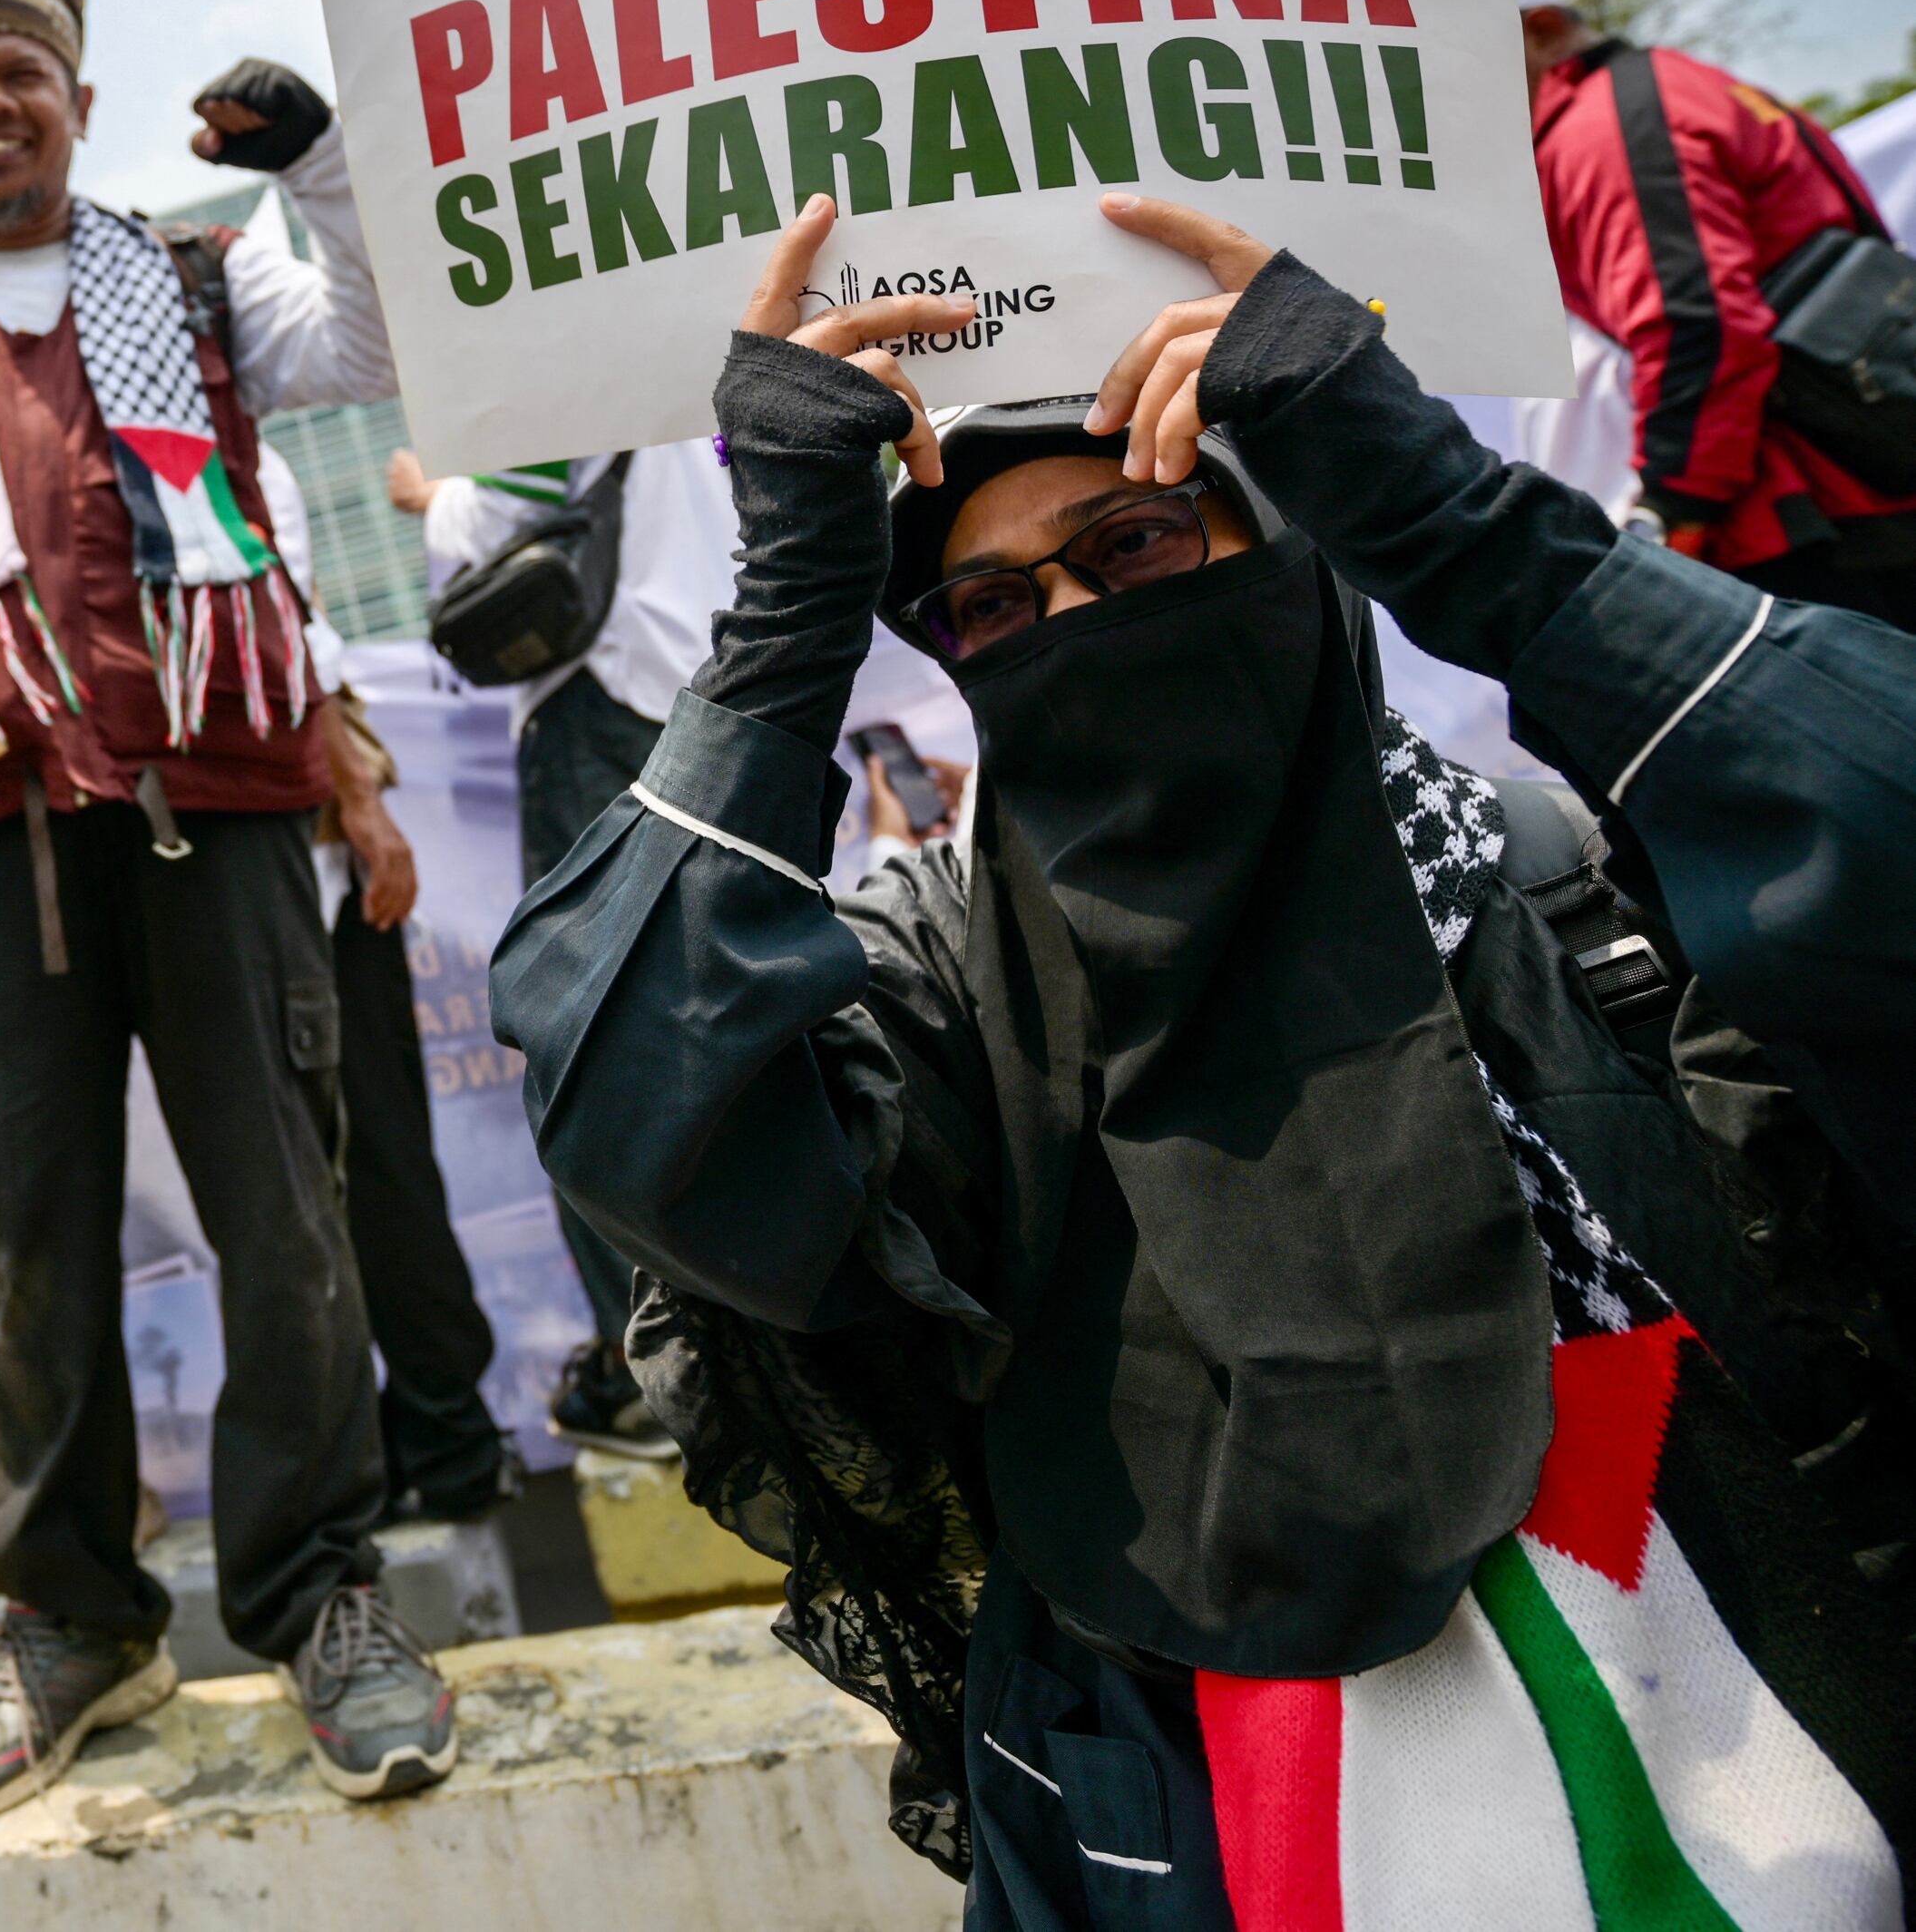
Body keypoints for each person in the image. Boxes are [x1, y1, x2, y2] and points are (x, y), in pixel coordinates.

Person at [498, 191, 1916, 1924]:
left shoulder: (1573, 904)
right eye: (995, 611)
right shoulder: (947, 993)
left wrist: (1466, 529)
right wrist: (789, 620)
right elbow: (630, 1099)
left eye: (1142, 548)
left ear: (1289, 552)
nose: (1076, 621)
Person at [0, 0, 455, 1818]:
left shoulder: (205, 282)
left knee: (283, 1216)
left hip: (208, 800)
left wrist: (329, 170)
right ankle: (75, 1624)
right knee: (20, 1239)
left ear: (76, 102)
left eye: (21, 73)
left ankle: (316, 1598)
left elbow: (375, 342)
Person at [398, 426, 959, 1459]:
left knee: (606, 1044)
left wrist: (431, 495)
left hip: (620, 708)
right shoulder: (734, 316)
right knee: (765, 1034)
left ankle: (681, 1374)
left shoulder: (565, 330)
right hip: (753, 707)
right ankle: (802, 1365)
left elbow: (501, 506)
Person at [259, 444, 517, 1525]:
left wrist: (359, 803)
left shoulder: (228, 460)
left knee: (337, 1175)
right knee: (354, 1168)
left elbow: (291, 635)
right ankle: (435, 1441)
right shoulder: (231, 458)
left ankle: (425, 1443)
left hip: (275, 862)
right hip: (276, 858)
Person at [1520, 0, 1916, 622]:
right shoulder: (1676, 84)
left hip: (1812, 507)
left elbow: (1695, 324)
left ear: (1545, 30)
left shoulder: (1601, 127)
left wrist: (1669, 513)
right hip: (1864, 465)